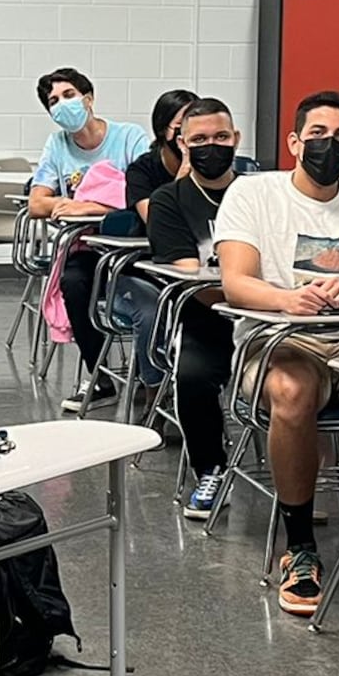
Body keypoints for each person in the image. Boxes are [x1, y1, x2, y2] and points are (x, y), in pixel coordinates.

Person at [216, 91, 339, 614]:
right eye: (318, 137)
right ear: (293, 142)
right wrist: (289, 299)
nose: (330, 147)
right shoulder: (253, 193)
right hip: (280, 336)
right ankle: (301, 545)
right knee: (292, 388)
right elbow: (236, 284)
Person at [142, 98, 246, 518]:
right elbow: (195, 280)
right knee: (193, 376)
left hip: (275, 317)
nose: (212, 146)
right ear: (183, 144)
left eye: (221, 137)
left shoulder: (259, 191)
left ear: (236, 139)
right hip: (208, 317)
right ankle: (211, 469)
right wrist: (256, 293)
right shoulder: (170, 200)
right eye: (199, 139)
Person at [29, 67, 150, 412]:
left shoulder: (129, 137)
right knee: (73, 283)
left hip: (132, 246)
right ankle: (100, 375)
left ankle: (150, 375)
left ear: (89, 98)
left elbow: (145, 191)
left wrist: (92, 205)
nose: (62, 105)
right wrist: (67, 205)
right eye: (53, 102)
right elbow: (38, 202)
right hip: (87, 246)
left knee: (148, 291)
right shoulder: (57, 144)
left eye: (68, 95)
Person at [124, 87, 198, 224]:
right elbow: (155, 220)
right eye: (181, 125)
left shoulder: (208, 164)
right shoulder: (141, 170)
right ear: (163, 128)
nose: (189, 132)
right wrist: (182, 177)